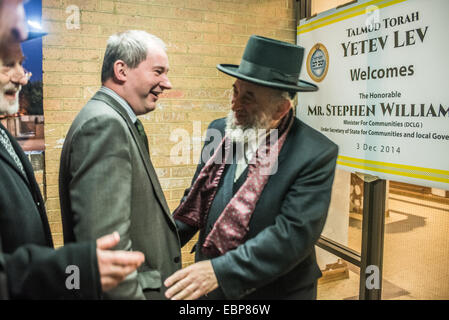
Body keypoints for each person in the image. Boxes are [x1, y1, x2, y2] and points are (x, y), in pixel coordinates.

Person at [164, 35, 339, 300]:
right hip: (211, 284)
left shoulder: (315, 153)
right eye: (235, 90)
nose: (234, 105)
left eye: (248, 97)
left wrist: (220, 272)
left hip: (275, 291)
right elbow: (196, 201)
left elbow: (292, 236)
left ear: (280, 109)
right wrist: (158, 244)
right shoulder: (219, 130)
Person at [0, 0, 144, 299]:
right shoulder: (102, 124)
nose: (21, 76)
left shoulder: (4, 132)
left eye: (21, 64)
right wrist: (71, 272)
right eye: (7, 65)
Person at [59, 30, 182, 300]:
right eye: (158, 71)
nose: (167, 83)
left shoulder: (111, 119)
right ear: (121, 70)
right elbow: (109, 249)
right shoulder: (105, 124)